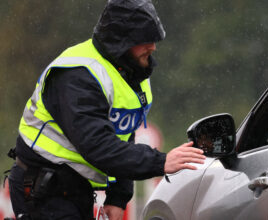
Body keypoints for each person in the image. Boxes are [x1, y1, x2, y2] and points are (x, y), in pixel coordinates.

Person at [7, 0, 206, 219]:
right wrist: (161, 162)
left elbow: (123, 137)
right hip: (42, 188)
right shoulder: (77, 75)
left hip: (74, 189)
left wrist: (118, 197)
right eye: (145, 40)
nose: (153, 47)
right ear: (119, 41)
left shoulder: (131, 70)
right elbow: (98, 145)